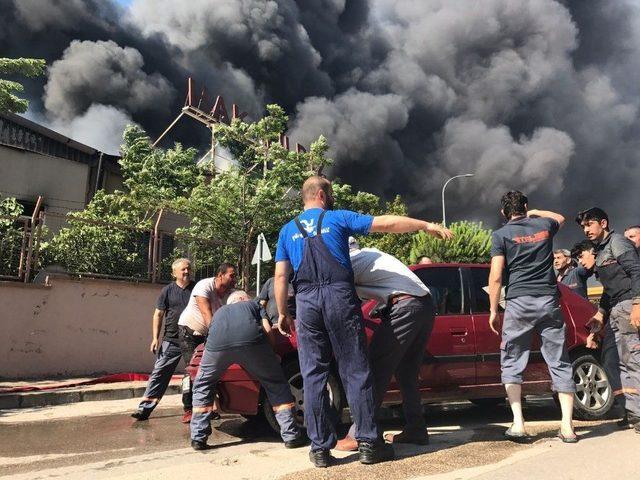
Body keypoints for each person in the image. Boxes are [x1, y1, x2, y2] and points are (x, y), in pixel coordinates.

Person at [274, 175, 453, 467]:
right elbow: (386, 223)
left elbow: (281, 276)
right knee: (356, 370)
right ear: (321, 194)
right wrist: (424, 225)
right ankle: (369, 443)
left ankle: (319, 449)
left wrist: (283, 312)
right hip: (338, 297)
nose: (330, 198)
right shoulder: (338, 218)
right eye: (329, 194)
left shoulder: (286, 231)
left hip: (306, 303)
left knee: (313, 374)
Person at [488, 191, 577, 442]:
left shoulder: (501, 235)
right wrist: (536, 212)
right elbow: (560, 217)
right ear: (525, 207)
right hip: (549, 299)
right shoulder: (544, 224)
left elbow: (495, 276)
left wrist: (494, 310)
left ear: (503, 213)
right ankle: (568, 427)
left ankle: (518, 423)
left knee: (512, 360)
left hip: (519, 302)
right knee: (559, 360)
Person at [335, 237, 436, 452]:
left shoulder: (351, 261)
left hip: (405, 305)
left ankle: (360, 434)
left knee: (373, 369)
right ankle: (416, 430)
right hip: (423, 305)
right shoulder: (371, 255)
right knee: (406, 372)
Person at [190, 290, 308, 450]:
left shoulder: (220, 311)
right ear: (244, 298)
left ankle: (198, 438)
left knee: (203, 385)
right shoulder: (253, 304)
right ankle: (291, 436)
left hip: (216, 346)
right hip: (251, 342)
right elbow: (267, 329)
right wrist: (271, 355)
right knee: (276, 385)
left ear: (231, 302)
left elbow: (211, 333)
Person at [575, 208, 640, 433]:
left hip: (629, 305)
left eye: (590, 224)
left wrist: (637, 304)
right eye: (583, 226)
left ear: (603, 223)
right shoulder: (601, 250)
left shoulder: (618, 243)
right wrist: (601, 314)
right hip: (615, 310)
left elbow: (636, 272)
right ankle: (632, 412)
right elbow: (608, 291)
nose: (586, 229)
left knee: (633, 358)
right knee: (618, 362)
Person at [131, 258, 195, 422]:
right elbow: (158, 314)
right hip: (171, 340)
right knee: (159, 373)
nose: (187, 272)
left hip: (193, 340)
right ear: (174, 273)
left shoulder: (196, 289)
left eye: (188, 269)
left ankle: (191, 410)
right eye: (183, 270)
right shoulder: (167, 291)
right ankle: (144, 409)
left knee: (193, 376)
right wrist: (155, 338)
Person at [177, 262, 237, 422]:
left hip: (208, 335)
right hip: (189, 332)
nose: (234, 279)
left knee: (211, 370)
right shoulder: (204, 286)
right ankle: (189, 409)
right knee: (192, 371)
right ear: (220, 275)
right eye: (231, 275)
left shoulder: (229, 293)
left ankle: (208, 407)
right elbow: (207, 315)